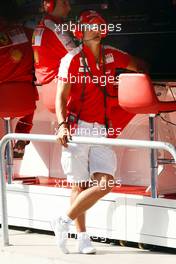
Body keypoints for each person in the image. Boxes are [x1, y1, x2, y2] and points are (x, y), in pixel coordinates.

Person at [54, 10, 148, 254]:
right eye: (91, 26)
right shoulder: (71, 59)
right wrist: (62, 124)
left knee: (105, 183)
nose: (97, 29)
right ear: (81, 32)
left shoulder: (111, 55)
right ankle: (83, 237)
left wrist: (130, 84)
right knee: (79, 185)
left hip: (101, 130)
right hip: (76, 129)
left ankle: (62, 221)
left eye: (99, 25)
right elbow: (60, 97)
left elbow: (139, 64)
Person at [0, 0, 38, 158]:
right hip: (25, 101)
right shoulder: (28, 33)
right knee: (29, 99)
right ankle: (22, 136)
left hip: (2, 101)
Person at [32, 0, 76, 113]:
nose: (69, 8)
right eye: (65, 3)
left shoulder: (41, 26)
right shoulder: (55, 28)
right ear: (50, 5)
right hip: (63, 91)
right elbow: (80, 58)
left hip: (49, 89)